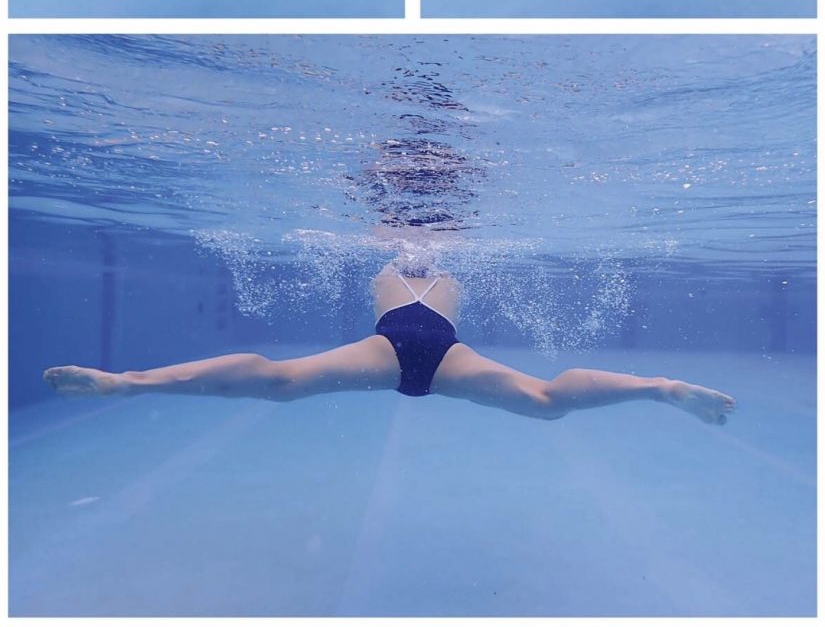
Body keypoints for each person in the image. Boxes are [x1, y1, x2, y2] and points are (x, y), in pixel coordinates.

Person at [44, 264, 735, 426]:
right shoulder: (454, 256)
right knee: (546, 399)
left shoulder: (384, 252)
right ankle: (657, 388)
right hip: (445, 351)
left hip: (387, 345)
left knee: (279, 381)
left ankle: (130, 382)